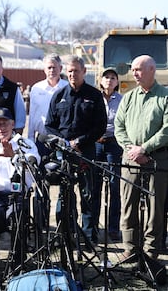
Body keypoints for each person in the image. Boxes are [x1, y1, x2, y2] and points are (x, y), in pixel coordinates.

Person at [45, 55, 107, 244]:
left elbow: (100, 126)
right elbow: (50, 124)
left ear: (84, 72)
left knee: (88, 194)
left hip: (85, 152)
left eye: (76, 71)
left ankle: (89, 236)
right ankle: (64, 234)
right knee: (64, 194)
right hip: (63, 153)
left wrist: (79, 142)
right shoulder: (59, 95)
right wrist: (63, 142)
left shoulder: (94, 96)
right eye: (70, 71)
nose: (72, 74)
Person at [114, 55, 168, 259]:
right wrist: (132, 150)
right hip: (130, 160)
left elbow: (166, 130)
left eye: (138, 69)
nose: (134, 73)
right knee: (128, 203)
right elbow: (119, 126)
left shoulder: (164, 96)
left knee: (155, 207)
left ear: (152, 70)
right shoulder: (129, 97)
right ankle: (130, 248)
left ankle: (151, 250)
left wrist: (144, 148)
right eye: (133, 69)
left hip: (157, 160)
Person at [0, 107, 40, 275]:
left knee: (16, 214)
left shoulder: (26, 144)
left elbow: (32, 172)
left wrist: (13, 156)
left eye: (5, 123)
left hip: (17, 195)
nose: (2, 128)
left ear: (13, 124)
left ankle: (16, 266)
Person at [93, 68, 123, 241]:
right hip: (96, 144)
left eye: (113, 78)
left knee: (114, 186)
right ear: (101, 80)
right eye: (106, 77)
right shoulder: (94, 98)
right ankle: (94, 227)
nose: (109, 80)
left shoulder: (121, 100)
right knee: (94, 186)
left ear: (117, 82)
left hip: (113, 144)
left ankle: (113, 228)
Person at [28, 53, 68, 158]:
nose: (52, 70)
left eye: (54, 67)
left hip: (61, 140)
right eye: (49, 67)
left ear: (61, 68)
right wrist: (30, 139)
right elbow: (32, 114)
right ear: (44, 70)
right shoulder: (36, 88)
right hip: (41, 140)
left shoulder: (67, 88)